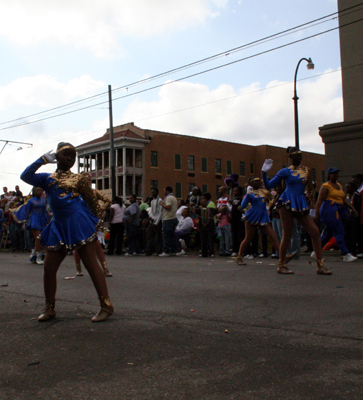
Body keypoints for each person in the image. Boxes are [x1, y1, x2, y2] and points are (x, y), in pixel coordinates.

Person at [20, 142, 113, 323]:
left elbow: (92, 202)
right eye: (66, 155)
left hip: (78, 225)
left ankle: (106, 305)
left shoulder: (78, 179)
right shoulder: (47, 178)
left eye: (73, 156)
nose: (70, 158)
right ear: (57, 157)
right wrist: (41, 160)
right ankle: (50, 308)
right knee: (49, 268)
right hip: (58, 226)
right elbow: (26, 176)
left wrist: (99, 227)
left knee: (91, 265)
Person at [261, 146, 332, 275]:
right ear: (290, 157)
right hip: (287, 202)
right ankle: (281, 265)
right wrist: (264, 173)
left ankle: (320, 265)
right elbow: (268, 185)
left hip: (301, 203)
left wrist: (312, 205)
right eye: (295, 155)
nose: (298, 157)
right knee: (287, 234)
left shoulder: (307, 171)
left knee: (315, 232)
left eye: (300, 155)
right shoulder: (285, 171)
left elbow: (310, 189)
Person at [236, 177, 290, 271]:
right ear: (251, 183)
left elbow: (273, 198)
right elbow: (243, 205)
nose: (257, 182)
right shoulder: (250, 192)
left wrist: (269, 207)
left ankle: (283, 257)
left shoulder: (265, 192)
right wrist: (248, 194)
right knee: (248, 237)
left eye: (258, 181)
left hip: (263, 216)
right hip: (252, 215)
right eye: (255, 181)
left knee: (273, 236)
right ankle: (239, 257)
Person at [315, 168, 358, 262]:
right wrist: (317, 213)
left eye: (337, 174)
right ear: (329, 175)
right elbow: (320, 200)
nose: (336, 175)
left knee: (329, 232)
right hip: (330, 209)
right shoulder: (325, 186)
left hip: (339, 209)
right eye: (334, 174)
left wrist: (352, 208)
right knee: (339, 230)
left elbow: (344, 199)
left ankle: (316, 251)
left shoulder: (339, 185)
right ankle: (345, 253)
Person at [74, 172, 112, 277]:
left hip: (92, 221)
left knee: (97, 244)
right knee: (78, 245)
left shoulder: (95, 192)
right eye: (85, 180)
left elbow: (108, 201)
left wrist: (101, 209)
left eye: (89, 180)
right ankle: (78, 268)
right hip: (80, 221)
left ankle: (105, 268)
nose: (88, 182)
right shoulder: (76, 193)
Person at [11, 187, 49, 264]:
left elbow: (45, 211)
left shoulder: (44, 201)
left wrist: (47, 221)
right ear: (34, 192)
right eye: (38, 190)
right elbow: (27, 212)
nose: (40, 191)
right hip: (34, 219)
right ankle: (38, 257)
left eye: (41, 190)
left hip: (42, 219)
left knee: (39, 238)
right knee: (38, 237)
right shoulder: (30, 201)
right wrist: (24, 223)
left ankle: (33, 254)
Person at [159, 186, 178, 257]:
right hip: (173, 218)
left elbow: (168, 207)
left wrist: (162, 204)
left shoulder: (169, 198)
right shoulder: (174, 198)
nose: (164, 192)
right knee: (172, 236)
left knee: (166, 235)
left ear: (167, 191)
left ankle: (166, 251)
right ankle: (173, 251)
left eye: (164, 191)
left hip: (168, 218)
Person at [344, 181, 361, 255]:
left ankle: (353, 250)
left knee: (353, 234)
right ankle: (348, 250)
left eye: (348, 187)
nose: (346, 189)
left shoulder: (356, 197)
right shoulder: (345, 197)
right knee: (347, 234)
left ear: (353, 188)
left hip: (354, 218)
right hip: (346, 218)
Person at [146, 188, 163, 256]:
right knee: (150, 236)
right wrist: (150, 216)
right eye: (152, 192)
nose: (153, 194)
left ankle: (158, 250)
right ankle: (149, 250)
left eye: (154, 192)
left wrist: (157, 222)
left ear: (157, 193)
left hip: (157, 221)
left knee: (158, 237)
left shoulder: (160, 200)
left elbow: (160, 212)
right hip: (152, 220)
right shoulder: (152, 201)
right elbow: (152, 210)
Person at [230, 185, 244, 257]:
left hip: (240, 219)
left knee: (241, 234)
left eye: (236, 191)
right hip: (234, 219)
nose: (234, 192)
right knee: (234, 235)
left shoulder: (242, 199)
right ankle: (235, 249)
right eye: (234, 191)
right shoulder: (232, 200)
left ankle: (242, 250)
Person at [352, 173, 363, 258]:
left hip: (361, 214)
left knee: (360, 233)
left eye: (355, 179)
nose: (353, 180)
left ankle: (361, 250)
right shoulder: (357, 190)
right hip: (358, 214)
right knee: (358, 233)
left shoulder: (361, 190)